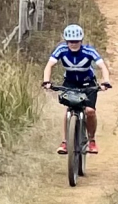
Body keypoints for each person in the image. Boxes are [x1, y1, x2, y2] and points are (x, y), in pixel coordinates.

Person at [40, 24, 112, 155]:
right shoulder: (61, 49)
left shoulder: (89, 51)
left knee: (90, 111)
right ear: (66, 41)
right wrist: (46, 81)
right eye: (71, 41)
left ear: (81, 41)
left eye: (76, 41)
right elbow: (49, 65)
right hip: (70, 83)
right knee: (69, 110)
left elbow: (102, 66)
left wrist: (105, 82)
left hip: (88, 84)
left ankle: (91, 140)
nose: (73, 44)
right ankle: (65, 142)